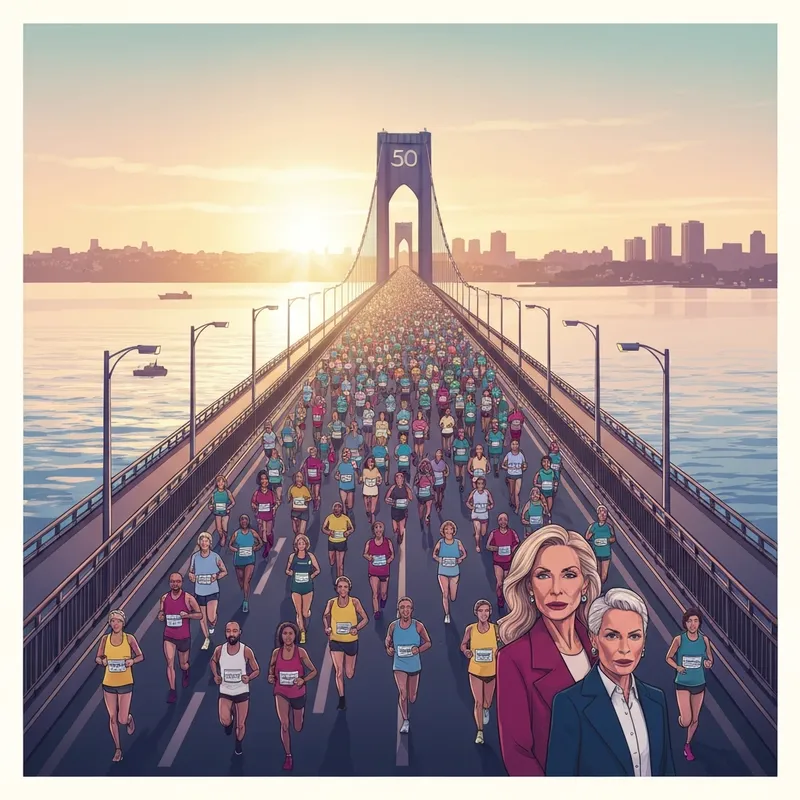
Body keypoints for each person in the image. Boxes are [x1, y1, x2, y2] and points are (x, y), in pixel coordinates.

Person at [495, 525, 601, 775]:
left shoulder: (604, 647)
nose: (556, 589)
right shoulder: (514, 660)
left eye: (569, 575)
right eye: (543, 575)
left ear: (585, 586)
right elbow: (518, 755)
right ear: (529, 587)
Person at [546, 588, 675, 776]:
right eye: (612, 636)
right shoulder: (570, 704)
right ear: (594, 639)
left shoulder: (656, 700)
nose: (624, 649)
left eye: (634, 636)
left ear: (644, 643)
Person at [268, 622, 318, 771]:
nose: (288, 637)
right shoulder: (276, 653)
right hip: (281, 692)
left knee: (297, 726)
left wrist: (303, 680)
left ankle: (300, 716)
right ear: (281, 636)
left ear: (295, 635)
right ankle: (288, 755)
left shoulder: (301, 652)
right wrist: (270, 676)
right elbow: (271, 668)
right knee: (284, 724)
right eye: (285, 634)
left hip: (298, 693)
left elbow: (314, 671)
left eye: (291, 633)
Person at [665, 607, 714, 762]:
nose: (693, 624)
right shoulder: (679, 640)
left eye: (695, 621)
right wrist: (677, 667)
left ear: (699, 623)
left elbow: (710, 659)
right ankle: (681, 719)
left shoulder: (704, 640)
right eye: (689, 621)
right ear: (685, 624)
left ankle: (687, 744)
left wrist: (708, 663)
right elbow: (668, 657)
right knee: (686, 720)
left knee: (694, 719)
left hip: (699, 683)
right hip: (683, 683)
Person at [95, 609, 144, 762]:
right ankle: (118, 749)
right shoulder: (105, 639)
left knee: (121, 719)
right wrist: (102, 661)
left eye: (118, 621)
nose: (115, 624)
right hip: (109, 683)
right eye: (113, 621)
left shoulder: (129, 639)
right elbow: (98, 657)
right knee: (112, 718)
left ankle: (128, 719)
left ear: (123, 623)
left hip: (125, 682)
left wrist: (132, 661)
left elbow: (140, 656)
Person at [211, 621, 260, 757]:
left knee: (240, 725)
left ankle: (238, 743)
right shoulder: (219, 650)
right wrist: (216, 675)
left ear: (240, 633)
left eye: (234, 631)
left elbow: (257, 670)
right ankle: (229, 722)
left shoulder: (246, 651)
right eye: (228, 631)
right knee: (224, 720)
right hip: (225, 691)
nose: (231, 634)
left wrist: (249, 677)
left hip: (241, 692)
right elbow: (213, 661)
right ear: (225, 633)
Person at [385, 597, 432, 734]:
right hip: (399, 665)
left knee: (412, 697)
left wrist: (419, 649)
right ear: (398, 610)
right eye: (402, 607)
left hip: (414, 665)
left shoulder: (418, 626)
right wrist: (389, 649)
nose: (405, 610)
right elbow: (388, 640)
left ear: (412, 610)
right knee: (403, 693)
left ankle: (408, 707)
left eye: (408, 607)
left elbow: (428, 642)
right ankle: (405, 720)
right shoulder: (393, 626)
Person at [323, 576, 369, 710]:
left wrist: (356, 628)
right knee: (338, 672)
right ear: (337, 589)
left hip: (350, 641)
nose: (343, 589)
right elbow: (325, 616)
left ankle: (347, 668)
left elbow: (365, 618)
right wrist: (327, 627)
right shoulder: (331, 602)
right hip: (335, 641)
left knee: (349, 673)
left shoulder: (355, 602)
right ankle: (342, 699)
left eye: (345, 587)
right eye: (340, 587)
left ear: (349, 589)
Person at [460, 600, 501, 745]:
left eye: (486, 611)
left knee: (487, 702)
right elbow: (463, 645)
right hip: (475, 670)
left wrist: (498, 651)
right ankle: (480, 732)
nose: (484, 614)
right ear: (476, 613)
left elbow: (502, 644)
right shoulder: (470, 629)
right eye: (481, 611)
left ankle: (486, 708)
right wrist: (466, 651)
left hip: (491, 671)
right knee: (478, 701)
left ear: (490, 613)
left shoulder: (495, 629)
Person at [158, 572, 202, 704]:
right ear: (169, 583)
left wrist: (187, 616)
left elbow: (199, 615)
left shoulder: (188, 598)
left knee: (183, 664)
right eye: (172, 581)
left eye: (177, 581)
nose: (175, 584)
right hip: (169, 636)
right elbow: (161, 613)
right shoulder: (164, 598)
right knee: (170, 662)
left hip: (183, 637)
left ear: (181, 583)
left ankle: (186, 671)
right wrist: (161, 616)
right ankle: (172, 690)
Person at [188, 532, 227, 650]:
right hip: (199, 592)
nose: (204, 543)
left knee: (211, 618)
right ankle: (207, 639)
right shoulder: (195, 557)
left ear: (210, 543)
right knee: (202, 618)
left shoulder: (215, 557)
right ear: (199, 543)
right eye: (202, 541)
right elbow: (191, 571)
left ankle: (213, 623)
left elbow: (224, 571)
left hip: (212, 591)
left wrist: (216, 576)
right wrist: (191, 576)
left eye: (206, 541)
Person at [285, 535, 321, 644]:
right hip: (296, 587)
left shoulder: (310, 556)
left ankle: (307, 616)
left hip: (307, 587)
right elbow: (287, 570)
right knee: (299, 612)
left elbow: (318, 570)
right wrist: (292, 574)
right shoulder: (292, 556)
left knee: (305, 613)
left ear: (306, 545)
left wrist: (311, 576)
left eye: (303, 543)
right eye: (299, 543)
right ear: (296, 545)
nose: (301, 545)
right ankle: (302, 632)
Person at [432, 520, 467, 624]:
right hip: (442, 571)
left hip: (454, 572)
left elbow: (464, 554)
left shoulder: (457, 543)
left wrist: (460, 559)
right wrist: (438, 559)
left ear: (453, 531)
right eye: (446, 529)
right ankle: (447, 614)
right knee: (445, 593)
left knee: (453, 597)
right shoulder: (440, 543)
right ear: (443, 531)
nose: (448, 531)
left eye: (450, 529)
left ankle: (451, 598)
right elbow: (434, 554)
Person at [486, 513, 521, 610]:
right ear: (498, 522)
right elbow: (487, 546)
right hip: (498, 562)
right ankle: (500, 598)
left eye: (505, 519)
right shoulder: (494, 533)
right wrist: (497, 548)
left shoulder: (512, 532)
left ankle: (509, 599)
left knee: (508, 583)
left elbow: (517, 544)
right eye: (500, 520)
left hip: (509, 561)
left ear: (507, 521)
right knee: (499, 583)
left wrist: (512, 550)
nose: (503, 522)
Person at [363, 520, 395, 619]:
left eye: (380, 527)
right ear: (373, 530)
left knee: (383, 593)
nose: (378, 530)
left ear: (383, 529)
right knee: (375, 593)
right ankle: (376, 611)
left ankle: (383, 599)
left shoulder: (388, 542)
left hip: (384, 571)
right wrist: (369, 558)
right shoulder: (370, 542)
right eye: (376, 528)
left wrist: (388, 560)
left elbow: (392, 555)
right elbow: (365, 554)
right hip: (373, 571)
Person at [229, 515, 262, 613]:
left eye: (245, 520)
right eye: (242, 520)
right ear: (240, 522)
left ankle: (245, 601)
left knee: (246, 581)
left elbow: (260, 543)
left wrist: (256, 548)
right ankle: (244, 590)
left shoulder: (252, 533)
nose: (244, 521)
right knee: (241, 580)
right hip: (239, 561)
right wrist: (235, 549)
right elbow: (230, 545)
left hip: (250, 560)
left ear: (248, 522)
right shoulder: (236, 533)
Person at [585, 504, 617, 584]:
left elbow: (613, 539)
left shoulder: (609, 527)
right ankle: (598, 588)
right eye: (600, 512)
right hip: (596, 553)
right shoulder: (594, 526)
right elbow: (587, 537)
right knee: (598, 573)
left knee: (604, 576)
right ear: (598, 515)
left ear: (606, 515)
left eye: (604, 513)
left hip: (606, 553)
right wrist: (590, 530)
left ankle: (599, 586)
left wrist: (607, 540)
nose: (602, 515)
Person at [323, 501, 355, 578]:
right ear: (333, 509)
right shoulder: (329, 517)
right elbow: (323, 528)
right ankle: (334, 567)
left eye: (339, 508)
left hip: (342, 542)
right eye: (335, 508)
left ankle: (339, 579)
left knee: (340, 565)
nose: (337, 509)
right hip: (332, 542)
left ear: (341, 509)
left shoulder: (345, 518)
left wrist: (347, 532)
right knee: (332, 561)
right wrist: (329, 532)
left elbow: (352, 529)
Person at [251, 471, 276, 559]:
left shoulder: (271, 493)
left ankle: (270, 543)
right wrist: (256, 508)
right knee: (262, 533)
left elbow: (275, 503)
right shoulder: (256, 493)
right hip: (260, 516)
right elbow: (253, 503)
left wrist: (274, 509)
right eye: (262, 479)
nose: (264, 481)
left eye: (265, 479)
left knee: (268, 533)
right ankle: (266, 548)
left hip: (269, 516)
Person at [385, 470, 413, 545]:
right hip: (394, 510)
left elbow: (410, 498)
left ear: (403, 479)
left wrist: (406, 500)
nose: (399, 480)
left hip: (403, 510)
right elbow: (386, 498)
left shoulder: (406, 488)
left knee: (401, 527)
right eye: (397, 478)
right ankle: (397, 532)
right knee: (395, 529)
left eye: (400, 478)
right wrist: (391, 501)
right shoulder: (393, 487)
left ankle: (400, 536)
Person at [466, 476, 494, 553]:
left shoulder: (486, 492)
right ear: (476, 484)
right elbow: (467, 502)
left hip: (484, 516)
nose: (480, 485)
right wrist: (471, 507)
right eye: (479, 483)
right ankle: (477, 545)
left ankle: (480, 538)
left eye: (482, 484)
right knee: (478, 531)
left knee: (483, 533)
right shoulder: (474, 492)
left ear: (484, 484)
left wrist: (489, 507)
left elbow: (492, 503)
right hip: (476, 516)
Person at [208, 474, 235, 548]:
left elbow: (233, 502)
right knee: (219, 529)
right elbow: (210, 503)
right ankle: (223, 537)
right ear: (217, 483)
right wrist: (211, 507)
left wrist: (228, 508)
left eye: (222, 482)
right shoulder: (214, 493)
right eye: (219, 482)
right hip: (217, 513)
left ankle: (223, 538)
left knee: (224, 528)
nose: (220, 483)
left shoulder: (227, 492)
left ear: (224, 483)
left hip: (225, 513)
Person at [501, 439, 527, 514]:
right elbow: (503, 465)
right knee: (512, 492)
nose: (515, 446)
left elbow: (524, 465)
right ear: (511, 445)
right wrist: (508, 467)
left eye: (516, 444)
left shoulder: (521, 455)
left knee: (517, 493)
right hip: (510, 475)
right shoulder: (508, 455)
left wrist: (523, 468)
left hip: (518, 475)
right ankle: (512, 502)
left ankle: (517, 507)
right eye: (513, 444)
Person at [359, 455, 383, 525]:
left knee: (373, 508)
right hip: (366, 490)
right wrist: (360, 479)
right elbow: (361, 479)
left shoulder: (376, 470)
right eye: (369, 462)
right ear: (366, 463)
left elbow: (379, 478)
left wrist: (379, 480)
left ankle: (373, 521)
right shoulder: (364, 470)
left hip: (374, 490)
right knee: (367, 508)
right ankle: (368, 514)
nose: (370, 463)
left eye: (372, 462)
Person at [334, 447, 358, 517]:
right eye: (344, 456)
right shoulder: (340, 465)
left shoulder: (353, 464)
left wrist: (356, 469)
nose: (345, 458)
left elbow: (357, 475)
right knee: (344, 503)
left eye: (347, 455)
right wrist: (337, 477)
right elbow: (337, 475)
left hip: (350, 488)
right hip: (342, 487)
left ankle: (349, 512)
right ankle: (345, 516)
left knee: (350, 505)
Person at [534, 455, 558, 521]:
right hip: (542, 492)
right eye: (544, 462)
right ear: (542, 463)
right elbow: (535, 482)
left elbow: (555, 481)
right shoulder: (540, 472)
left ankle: (547, 514)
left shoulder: (552, 472)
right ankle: (545, 515)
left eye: (548, 462)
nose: (546, 464)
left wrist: (555, 487)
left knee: (549, 505)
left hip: (550, 492)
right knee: (544, 504)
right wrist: (540, 485)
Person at [413, 457, 435, 528]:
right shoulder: (430, 475)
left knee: (421, 507)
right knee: (428, 506)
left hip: (421, 494)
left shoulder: (418, 475)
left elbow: (415, 484)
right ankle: (426, 517)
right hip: (428, 493)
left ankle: (421, 519)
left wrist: (416, 493)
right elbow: (433, 483)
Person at [301, 445, 324, 511]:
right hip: (310, 479)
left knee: (316, 493)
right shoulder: (307, 460)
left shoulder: (319, 460)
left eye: (313, 451)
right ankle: (315, 503)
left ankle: (316, 505)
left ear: (316, 452)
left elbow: (322, 467)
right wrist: (303, 472)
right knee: (312, 493)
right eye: (311, 452)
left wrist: (320, 470)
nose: (312, 453)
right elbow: (304, 467)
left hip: (317, 479)